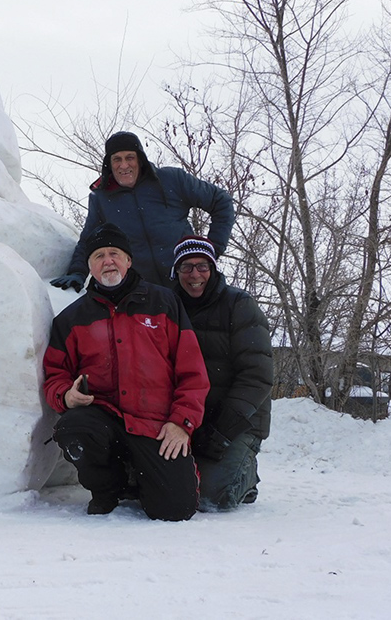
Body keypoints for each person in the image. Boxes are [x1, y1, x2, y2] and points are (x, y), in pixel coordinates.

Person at [43, 223, 210, 520]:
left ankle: (143, 476)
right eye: (99, 256)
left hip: (155, 425)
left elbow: (193, 373)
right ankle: (108, 487)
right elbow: (55, 375)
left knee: (176, 510)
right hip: (102, 419)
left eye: (114, 253)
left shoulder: (164, 303)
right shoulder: (71, 319)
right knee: (75, 428)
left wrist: (182, 423)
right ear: (90, 266)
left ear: (128, 260)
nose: (108, 261)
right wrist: (66, 396)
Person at [51, 131, 235, 290]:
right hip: (144, 294)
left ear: (140, 159)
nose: (124, 165)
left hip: (189, 283)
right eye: (117, 159)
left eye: (129, 157)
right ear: (109, 164)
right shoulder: (102, 198)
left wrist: (212, 249)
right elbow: (89, 240)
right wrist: (77, 272)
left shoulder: (171, 180)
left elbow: (221, 202)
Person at [170, 235, 274, 511]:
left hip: (238, 419)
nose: (195, 274)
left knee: (212, 497)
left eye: (202, 266)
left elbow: (257, 376)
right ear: (176, 272)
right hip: (188, 416)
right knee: (157, 485)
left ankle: (245, 476)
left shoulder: (239, 305)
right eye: (186, 267)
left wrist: (222, 431)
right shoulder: (168, 307)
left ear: (213, 269)